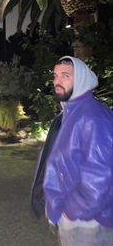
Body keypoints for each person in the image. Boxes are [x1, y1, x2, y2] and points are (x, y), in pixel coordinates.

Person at [42, 56, 113, 246]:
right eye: (55, 76)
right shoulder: (73, 111)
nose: (57, 81)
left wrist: (71, 209)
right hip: (77, 216)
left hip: (87, 222)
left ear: (80, 78)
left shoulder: (92, 116)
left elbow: (101, 173)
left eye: (65, 76)